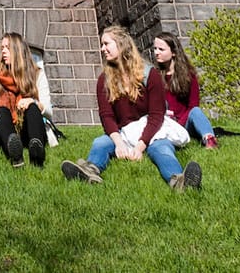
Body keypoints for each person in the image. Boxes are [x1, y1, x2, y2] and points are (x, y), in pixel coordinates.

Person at [61, 26, 199, 192]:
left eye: (106, 44)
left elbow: (156, 115)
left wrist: (140, 147)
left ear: (120, 44)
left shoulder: (150, 74)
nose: (102, 48)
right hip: (123, 134)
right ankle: (90, 172)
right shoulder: (104, 80)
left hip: (152, 132)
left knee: (161, 149)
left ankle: (178, 180)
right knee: (100, 143)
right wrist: (119, 144)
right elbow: (107, 117)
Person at [0, 32, 56, 168]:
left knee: (33, 108)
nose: (3, 51)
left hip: (28, 128)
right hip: (5, 129)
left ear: (18, 50)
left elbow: (49, 111)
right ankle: (15, 155)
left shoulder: (37, 73)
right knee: (1, 111)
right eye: (2, 48)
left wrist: (33, 102)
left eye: (7, 48)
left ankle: (36, 154)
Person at [148, 32, 218, 151]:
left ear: (173, 52)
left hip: (184, 122)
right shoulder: (154, 76)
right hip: (164, 124)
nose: (156, 52)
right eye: (155, 49)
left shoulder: (188, 75)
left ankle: (210, 139)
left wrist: (179, 123)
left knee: (196, 112)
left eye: (161, 49)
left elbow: (193, 105)